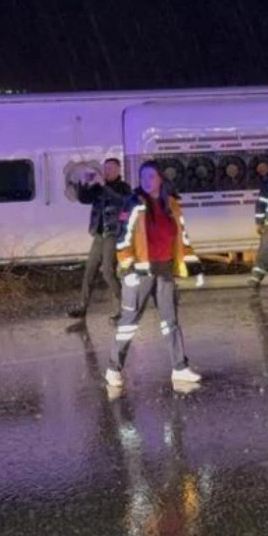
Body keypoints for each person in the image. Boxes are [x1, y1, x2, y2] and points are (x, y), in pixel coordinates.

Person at [106, 160, 203, 387]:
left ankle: (180, 367)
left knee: (170, 320)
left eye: (151, 176)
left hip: (164, 268)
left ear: (160, 178)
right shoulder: (133, 203)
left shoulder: (172, 204)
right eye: (143, 177)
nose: (147, 181)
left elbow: (182, 238)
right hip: (140, 271)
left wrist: (195, 266)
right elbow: (122, 238)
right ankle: (113, 368)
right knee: (129, 321)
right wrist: (128, 268)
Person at [68, 158, 133, 320]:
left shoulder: (124, 188)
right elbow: (84, 198)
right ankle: (82, 306)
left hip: (113, 233)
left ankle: (125, 307)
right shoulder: (99, 187)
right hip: (99, 233)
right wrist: (83, 182)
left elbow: (122, 201)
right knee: (89, 270)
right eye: (106, 168)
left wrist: (103, 185)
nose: (107, 171)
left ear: (118, 170)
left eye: (111, 168)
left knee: (108, 272)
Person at [249, 151, 268, 290]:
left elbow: (262, 203)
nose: (259, 170)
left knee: (267, 250)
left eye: (261, 167)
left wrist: (259, 222)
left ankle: (255, 280)